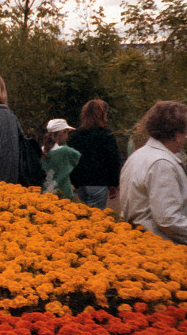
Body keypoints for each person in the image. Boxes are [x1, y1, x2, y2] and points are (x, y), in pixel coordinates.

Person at [117, 101, 187, 243]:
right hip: (161, 244)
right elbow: (168, 219)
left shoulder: (139, 155)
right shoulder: (162, 163)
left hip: (140, 240)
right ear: (176, 135)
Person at [67, 99, 123, 209]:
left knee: (83, 212)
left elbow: (71, 158)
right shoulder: (106, 134)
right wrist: (114, 183)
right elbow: (113, 159)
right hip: (98, 182)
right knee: (96, 215)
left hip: (80, 183)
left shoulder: (75, 135)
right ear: (102, 114)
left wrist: (74, 179)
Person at [40, 119, 81, 200]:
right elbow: (77, 156)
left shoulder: (42, 151)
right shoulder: (66, 151)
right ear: (63, 132)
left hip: (45, 192)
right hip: (64, 192)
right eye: (67, 132)